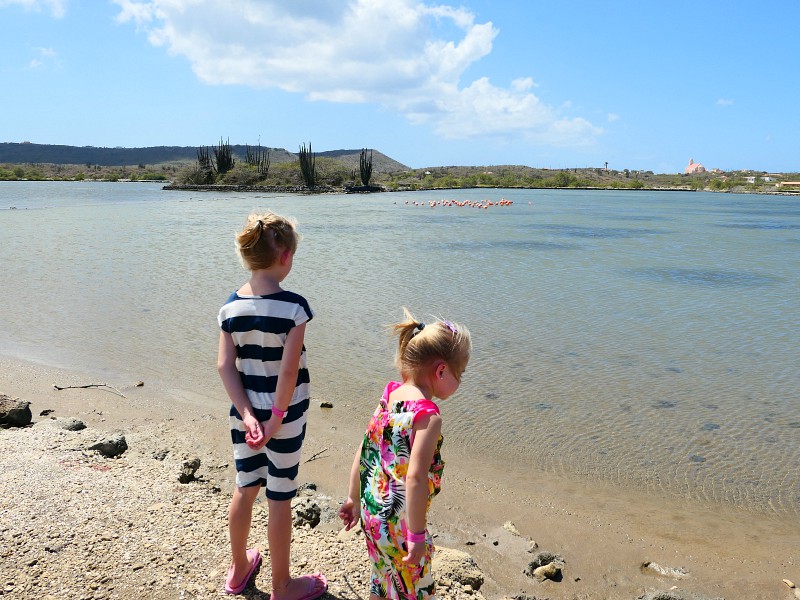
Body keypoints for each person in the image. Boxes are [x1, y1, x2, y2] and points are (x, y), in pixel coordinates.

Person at [217, 211, 327, 599]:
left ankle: (239, 570)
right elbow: (288, 371)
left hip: (243, 415)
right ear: (285, 257)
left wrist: (248, 414)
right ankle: (282, 585)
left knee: (245, 486)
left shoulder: (230, 308)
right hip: (286, 417)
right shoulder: (294, 308)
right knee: (279, 497)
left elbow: (224, 366)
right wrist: (276, 417)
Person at [338, 308, 472, 599]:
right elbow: (414, 479)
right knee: (416, 588)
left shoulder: (389, 396)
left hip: (372, 511)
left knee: (383, 577)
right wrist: (416, 536)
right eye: (459, 374)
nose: (459, 381)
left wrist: (352, 497)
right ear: (440, 370)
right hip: (399, 523)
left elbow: (365, 448)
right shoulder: (427, 416)